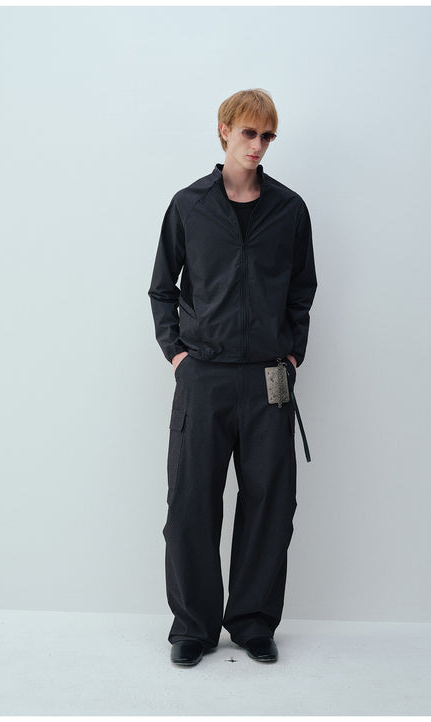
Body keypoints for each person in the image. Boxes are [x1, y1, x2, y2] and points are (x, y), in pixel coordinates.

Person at [148, 88, 317, 667]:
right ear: (224, 131)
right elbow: (162, 288)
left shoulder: (289, 210)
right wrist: (177, 355)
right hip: (204, 376)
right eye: (249, 133)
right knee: (191, 504)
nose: (258, 145)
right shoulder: (189, 206)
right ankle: (193, 627)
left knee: (270, 503)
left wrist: (292, 357)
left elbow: (302, 290)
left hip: (270, 379)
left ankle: (252, 622)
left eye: (267, 136)